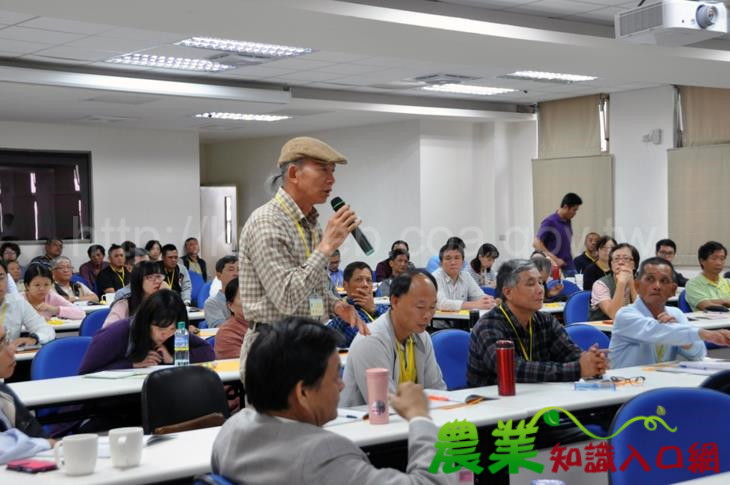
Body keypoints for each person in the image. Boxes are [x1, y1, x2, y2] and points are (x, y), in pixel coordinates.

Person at [212, 317, 455, 485]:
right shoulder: (323, 456)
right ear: (303, 393)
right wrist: (419, 417)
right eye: (335, 376)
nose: (342, 385)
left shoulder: (233, 429)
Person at [237, 137, 367, 381]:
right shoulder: (267, 222)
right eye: (322, 169)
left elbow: (314, 291)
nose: (332, 179)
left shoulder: (312, 225)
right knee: (277, 421)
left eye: (333, 170)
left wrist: (336, 305)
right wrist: (326, 247)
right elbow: (286, 298)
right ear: (294, 173)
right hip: (274, 351)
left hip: (309, 346)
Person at [467, 259, 608, 387]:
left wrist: (593, 363)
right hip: (495, 407)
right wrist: (578, 369)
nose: (540, 290)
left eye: (540, 282)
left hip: (537, 400)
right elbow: (513, 369)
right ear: (508, 292)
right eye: (530, 284)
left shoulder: (546, 321)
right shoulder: (489, 326)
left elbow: (570, 354)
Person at [341, 270, 446, 407]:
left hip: (408, 419)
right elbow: (384, 405)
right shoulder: (370, 340)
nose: (427, 315)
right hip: (365, 425)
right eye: (420, 307)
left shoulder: (422, 336)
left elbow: (437, 389)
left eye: (432, 307)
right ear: (395, 302)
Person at [611, 257, 730, 368]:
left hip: (662, 382)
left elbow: (699, 354)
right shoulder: (625, 315)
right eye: (650, 279)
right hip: (627, 384)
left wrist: (682, 339)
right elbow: (655, 331)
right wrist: (706, 334)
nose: (657, 286)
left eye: (664, 281)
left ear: (673, 290)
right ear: (637, 285)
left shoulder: (675, 313)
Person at [79, 290, 214, 374]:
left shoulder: (176, 333)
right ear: (147, 321)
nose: (165, 335)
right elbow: (86, 373)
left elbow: (207, 352)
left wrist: (174, 359)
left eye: (172, 329)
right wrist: (131, 364)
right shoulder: (118, 332)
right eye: (160, 328)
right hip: (109, 405)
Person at [0, 322, 53, 465]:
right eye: (1, 345)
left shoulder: (4, 394)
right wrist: (47, 445)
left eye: (7, 341)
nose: (12, 350)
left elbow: (39, 436)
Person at [327, 262, 388, 348]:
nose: (365, 285)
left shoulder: (383, 308)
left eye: (369, 280)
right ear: (345, 285)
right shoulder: (344, 316)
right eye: (359, 279)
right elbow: (371, 343)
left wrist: (374, 310)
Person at [0, 262, 54, 347]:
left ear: (7, 278)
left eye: (1, 278)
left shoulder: (17, 302)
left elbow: (47, 330)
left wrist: (34, 338)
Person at [431, 243, 495, 311]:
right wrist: (475, 304)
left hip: (463, 320)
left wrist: (488, 301)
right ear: (441, 263)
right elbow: (442, 304)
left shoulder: (466, 276)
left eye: (457, 258)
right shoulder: (434, 277)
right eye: (448, 258)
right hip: (441, 320)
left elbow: (479, 295)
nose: (453, 262)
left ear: (462, 262)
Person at [102, 261, 167, 328]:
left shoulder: (162, 302)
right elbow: (107, 331)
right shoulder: (124, 304)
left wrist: (166, 296)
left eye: (159, 276)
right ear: (138, 280)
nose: (157, 281)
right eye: (150, 277)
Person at [533, 192, 582, 276]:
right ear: (566, 207)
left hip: (569, 266)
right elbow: (536, 244)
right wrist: (555, 259)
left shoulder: (567, 221)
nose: (575, 213)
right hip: (555, 268)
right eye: (574, 210)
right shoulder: (550, 222)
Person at [589, 243, 640, 321]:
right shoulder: (600, 285)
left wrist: (631, 283)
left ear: (635, 264)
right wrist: (621, 283)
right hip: (604, 331)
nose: (620, 262)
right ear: (611, 264)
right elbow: (614, 315)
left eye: (626, 258)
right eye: (616, 259)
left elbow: (644, 314)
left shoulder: (642, 283)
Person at [686, 241, 730, 311]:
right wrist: (724, 301)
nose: (719, 263)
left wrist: (714, 301)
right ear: (702, 261)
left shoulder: (728, 282)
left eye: (722, 259)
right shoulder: (693, 284)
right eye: (714, 258)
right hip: (708, 321)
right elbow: (707, 306)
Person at [214, 279, 249, 359]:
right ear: (230, 306)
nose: (251, 302)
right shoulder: (227, 333)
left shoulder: (268, 323)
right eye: (245, 297)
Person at [204, 256, 238, 328]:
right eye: (231, 270)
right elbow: (222, 329)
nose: (236, 274)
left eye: (239, 270)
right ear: (219, 275)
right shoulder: (212, 303)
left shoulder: (248, 299)